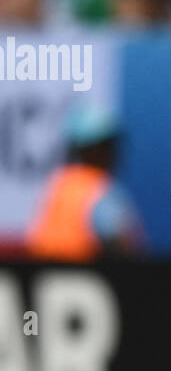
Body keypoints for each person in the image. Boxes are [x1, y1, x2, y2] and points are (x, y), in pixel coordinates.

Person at [26, 104, 144, 260]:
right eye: (107, 145)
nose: (114, 152)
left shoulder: (58, 185)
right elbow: (124, 247)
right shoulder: (101, 189)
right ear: (92, 149)